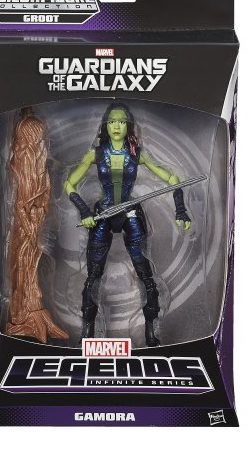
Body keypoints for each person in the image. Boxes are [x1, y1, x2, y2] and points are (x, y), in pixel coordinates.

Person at [64, 103, 192, 346]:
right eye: (112, 122)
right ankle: (87, 334)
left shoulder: (137, 154)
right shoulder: (96, 154)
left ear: (128, 126)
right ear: (105, 125)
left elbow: (172, 178)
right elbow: (69, 183)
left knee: (145, 275)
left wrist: (180, 210)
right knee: (93, 276)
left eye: (121, 122)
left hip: (131, 212)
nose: (116, 126)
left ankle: (152, 333)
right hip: (103, 213)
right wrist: (84, 211)